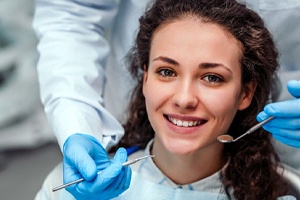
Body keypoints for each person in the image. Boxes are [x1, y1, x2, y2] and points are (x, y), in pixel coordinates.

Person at [32, 0, 300, 199]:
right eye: (167, 71)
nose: (184, 99)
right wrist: (77, 121)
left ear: (245, 93)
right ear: (145, 78)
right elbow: (71, 15)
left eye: (212, 77)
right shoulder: (67, 191)